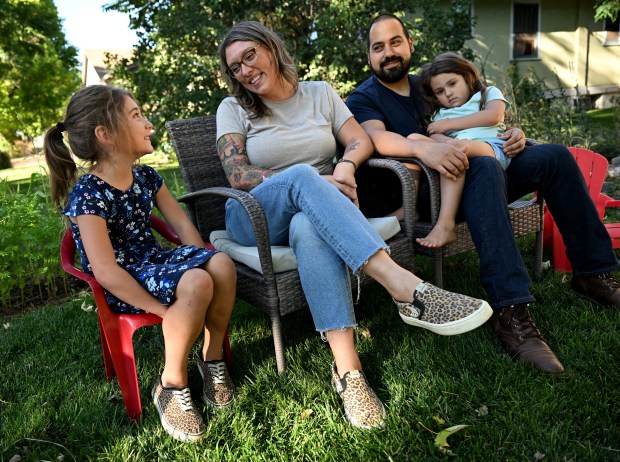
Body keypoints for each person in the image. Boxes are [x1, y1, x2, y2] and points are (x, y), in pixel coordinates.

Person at [216, 20, 493, 430]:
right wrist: (314, 180)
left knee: (310, 230)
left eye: (249, 56)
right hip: (253, 213)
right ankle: (404, 287)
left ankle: (349, 373)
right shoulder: (233, 108)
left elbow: (359, 140)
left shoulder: (319, 94)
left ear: (270, 48)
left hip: (314, 209)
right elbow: (238, 174)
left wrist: (345, 167)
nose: (244, 70)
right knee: (302, 177)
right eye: (235, 67)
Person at [346, 12, 620, 375]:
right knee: (485, 166)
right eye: (378, 47)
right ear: (369, 56)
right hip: (420, 195)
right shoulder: (365, 97)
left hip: (474, 168)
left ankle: (593, 274)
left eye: (395, 42)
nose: (388, 53)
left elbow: (478, 114)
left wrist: (512, 135)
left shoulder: (429, 84)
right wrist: (424, 149)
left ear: (410, 44)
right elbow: (375, 138)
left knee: (552, 156)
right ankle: (511, 311)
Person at [44, 85, 236, 443]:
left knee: (221, 265)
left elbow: (182, 227)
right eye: (136, 116)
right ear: (106, 135)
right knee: (197, 283)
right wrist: (160, 310)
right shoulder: (89, 193)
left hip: (154, 263)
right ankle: (170, 383)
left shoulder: (147, 177)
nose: (148, 124)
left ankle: (211, 360)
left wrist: (202, 258)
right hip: (124, 281)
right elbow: (104, 271)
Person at [407, 51, 512, 248]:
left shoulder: (487, 94)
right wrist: (440, 139)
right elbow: (434, 135)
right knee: (414, 139)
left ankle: (446, 224)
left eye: (452, 84)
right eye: (439, 91)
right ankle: (409, 207)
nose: (448, 93)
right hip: (462, 151)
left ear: (467, 77)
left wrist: (448, 125)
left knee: (454, 149)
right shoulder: (440, 113)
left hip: (492, 147)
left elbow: (493, 117)